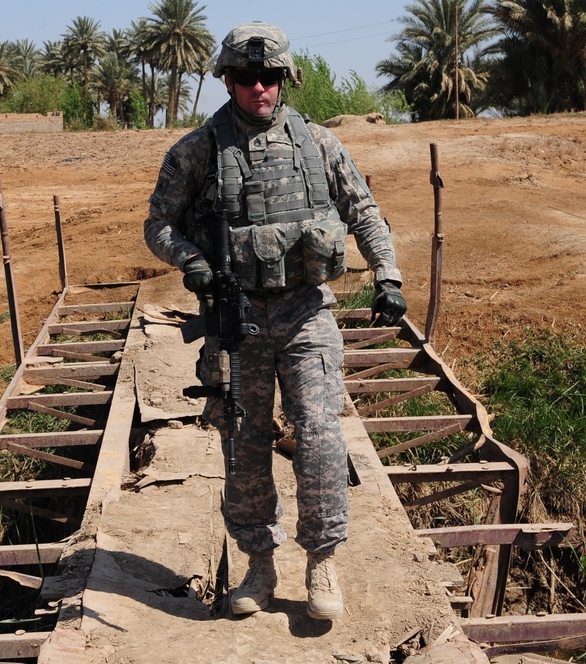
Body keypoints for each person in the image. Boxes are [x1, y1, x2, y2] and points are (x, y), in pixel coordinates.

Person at [143, 21, 407, 620]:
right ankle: (259, 565)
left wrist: (388, 276)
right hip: (239, 320)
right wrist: (193, 263)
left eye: (269, 77)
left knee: (318, 432)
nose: (258, 88)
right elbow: (159, 223)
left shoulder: (319, 143)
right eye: (245, 78)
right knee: (244, 442)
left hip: (306, 311)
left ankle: (323, 563)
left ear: (286, 80)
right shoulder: (197, 151)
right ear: (228, 81)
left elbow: (362, 210)